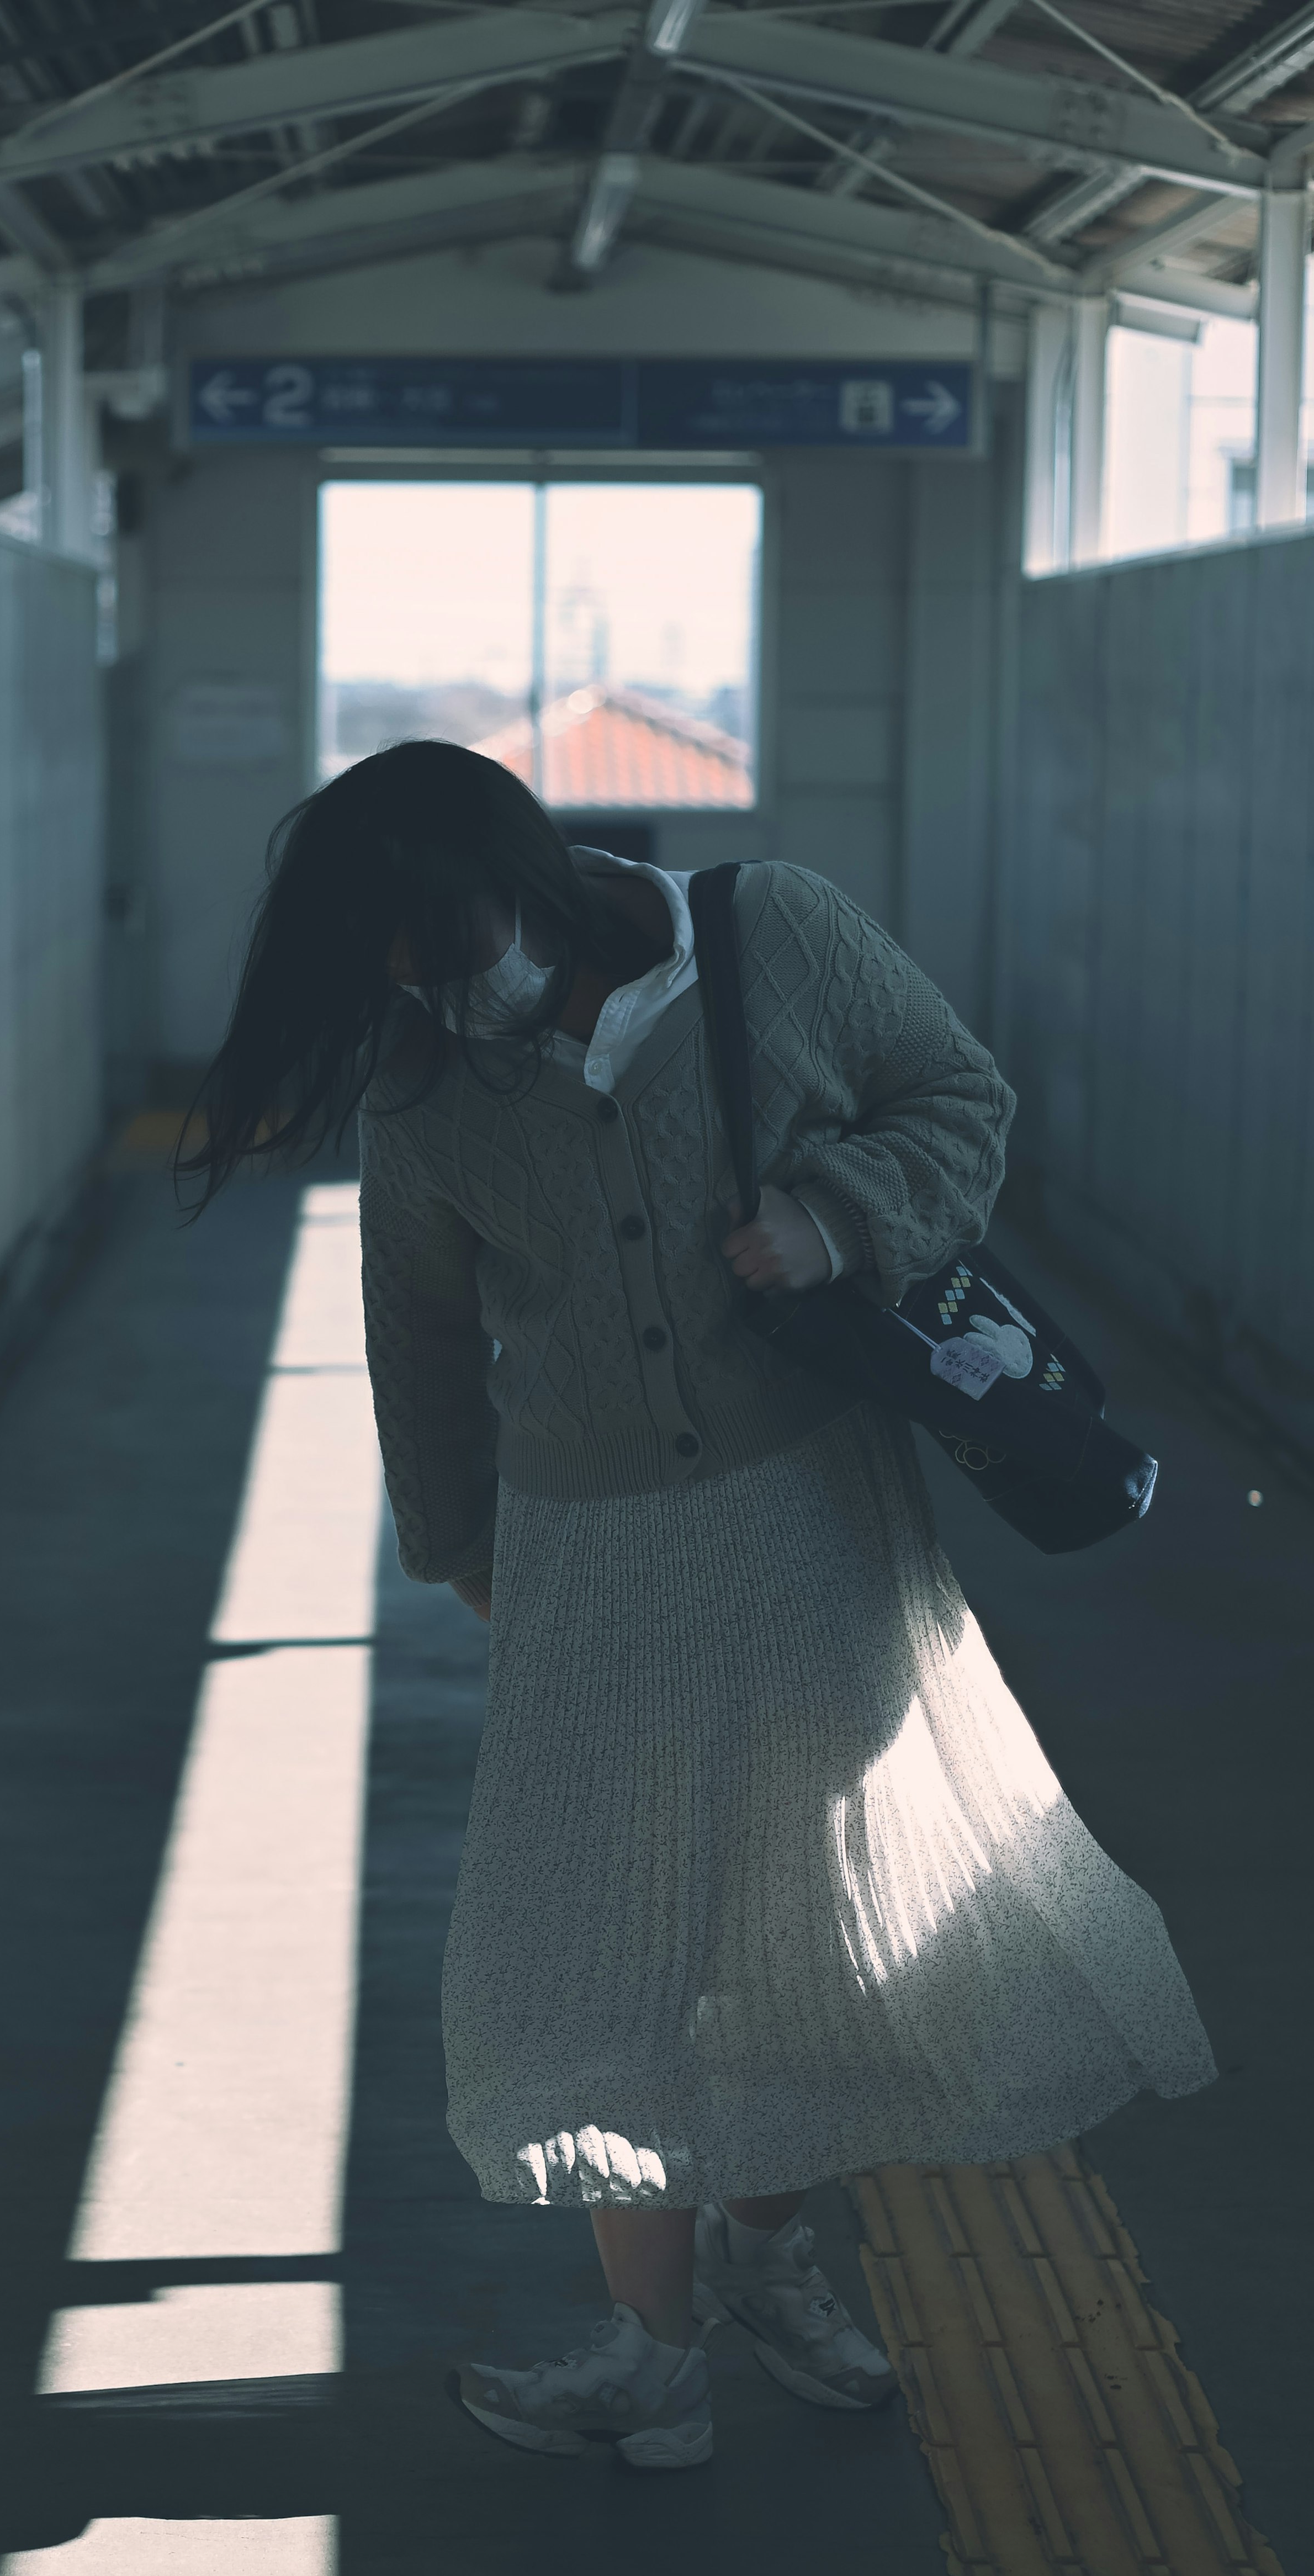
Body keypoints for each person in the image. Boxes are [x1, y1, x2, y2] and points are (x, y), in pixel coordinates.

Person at [183, 740, 1215, 2473]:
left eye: (450, 956)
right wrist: (458, 1547)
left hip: (810, 1508)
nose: (449, 1003)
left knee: (792, 1928)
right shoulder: (427, 1087)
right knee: (595, 1954)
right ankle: (651, 2353)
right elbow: (417, 1329)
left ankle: (762, 2264)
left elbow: (959, 1097)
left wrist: (834, 1215)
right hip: (583, 1547)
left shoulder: (772, 936)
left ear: (523, 880)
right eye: (402, 985)